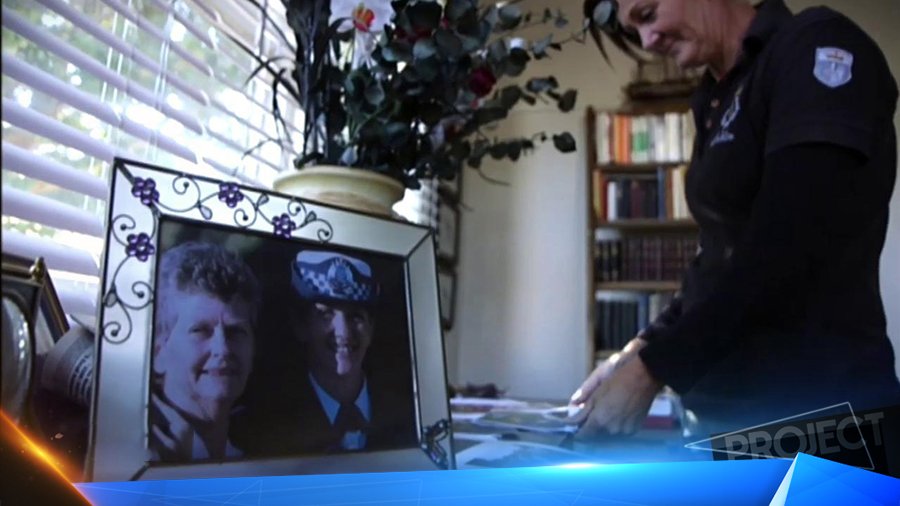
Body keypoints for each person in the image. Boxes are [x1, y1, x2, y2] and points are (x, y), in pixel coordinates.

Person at [573, 0, 900, 437]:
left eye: (647, 14)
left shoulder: (813, 44)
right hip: (725, 417)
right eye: (634, 31)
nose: (647, 42)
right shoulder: (714, 95)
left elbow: (788, 241)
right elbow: (718, 255)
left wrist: (652, 369)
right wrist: (642, 346)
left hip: (819, 415)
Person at [237, 250, 417, 456]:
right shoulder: (267, 422)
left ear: (371, 327)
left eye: (356, 317)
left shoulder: (407, 413)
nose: (343, 332)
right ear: (301, 325)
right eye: (325, 314)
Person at [149, 241, 260, 461]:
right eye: (200, 331)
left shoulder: (260, 452)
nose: (223, 349)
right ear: (158, 353)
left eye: (236, 332)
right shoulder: (136, 455)